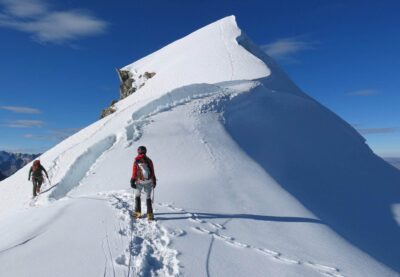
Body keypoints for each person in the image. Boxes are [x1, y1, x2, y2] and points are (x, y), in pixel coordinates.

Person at [130, 146, 157, 220]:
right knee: (148, 197)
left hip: (139, 181)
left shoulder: (136, 160)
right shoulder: (149, 160)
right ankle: (150, 215)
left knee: (137, 196)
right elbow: (152, 171)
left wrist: (132, 180)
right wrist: (154, 181)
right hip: (149, 181)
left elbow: (134, 172)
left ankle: (138, 213)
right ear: (145, 151)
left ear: (138, 151)